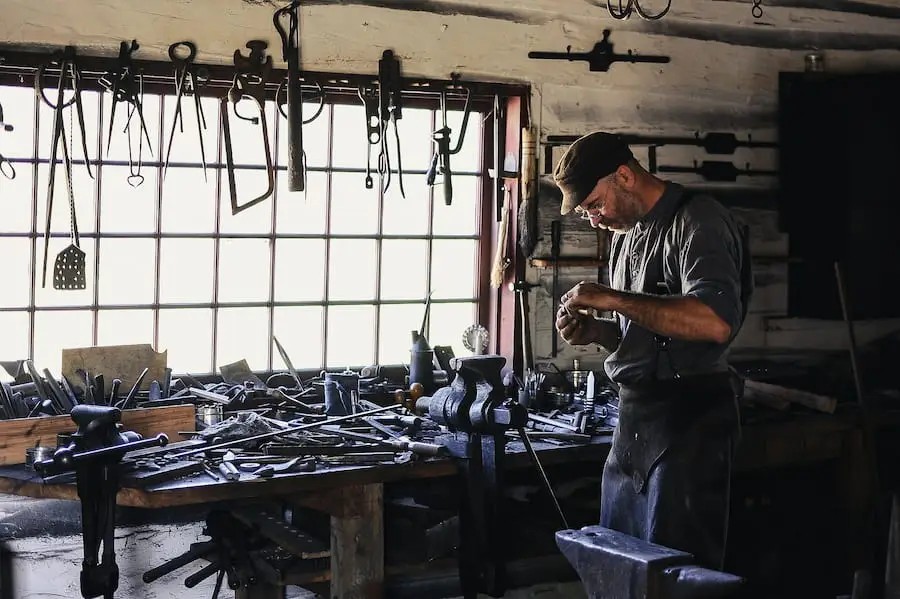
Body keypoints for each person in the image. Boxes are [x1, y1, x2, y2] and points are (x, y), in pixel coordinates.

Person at [552, 131, 753, 571]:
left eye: (594, 205)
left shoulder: (697, 220)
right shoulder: (627, 239)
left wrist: (614, 298)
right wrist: (596, 332)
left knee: (674, 575)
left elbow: (714, 322)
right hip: (636, 423)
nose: (593, 220)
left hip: (690, 422)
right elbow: (643, 335)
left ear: (623, 176)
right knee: (620, 566)